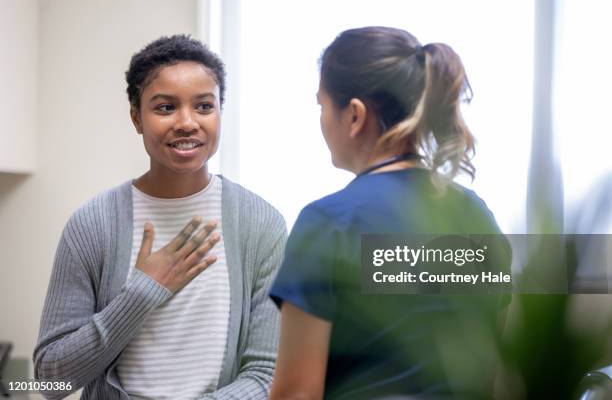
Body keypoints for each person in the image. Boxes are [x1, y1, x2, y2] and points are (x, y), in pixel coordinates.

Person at [34, 35, 286, 400]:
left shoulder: (261, 224)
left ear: (220, 113)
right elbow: (48, 381)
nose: (187, 122)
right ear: (137, 118)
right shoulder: (91, 226)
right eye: (165, 108)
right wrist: (141, 292)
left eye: (203, 106)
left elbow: (267, 375)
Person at [269, 26, 511, 399]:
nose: (320, 120)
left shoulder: (328, 223)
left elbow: (296, 394)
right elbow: (488, 373)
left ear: (354, 115)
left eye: (321, 105)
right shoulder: (476, 216)